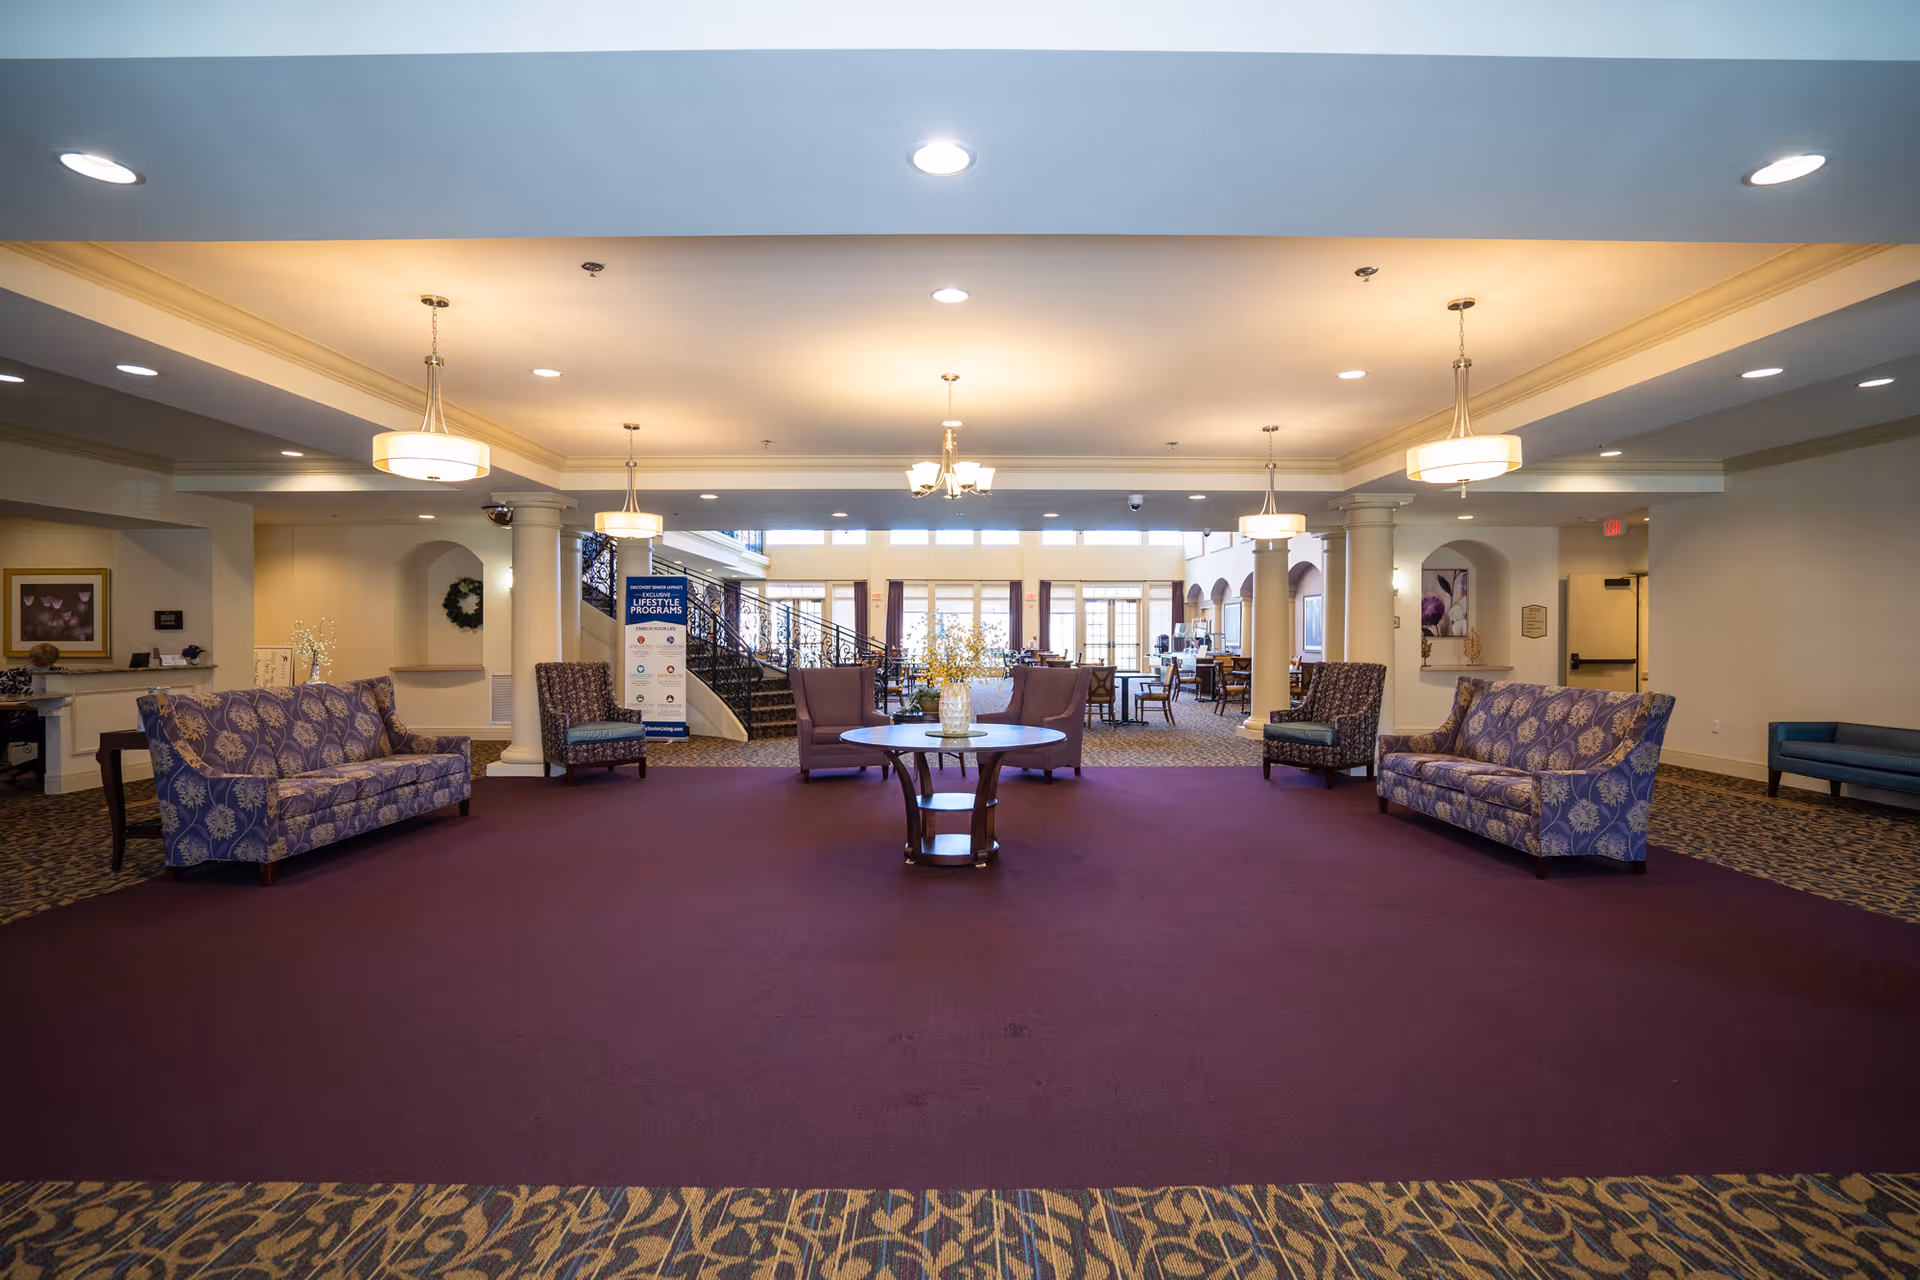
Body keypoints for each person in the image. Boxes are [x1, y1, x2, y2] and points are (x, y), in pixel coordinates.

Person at [0, 643, 58, 787]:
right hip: (19, 721)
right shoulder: (13, 675)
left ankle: (50, 773)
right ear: (30, 658)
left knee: (50, 724)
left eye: (45, 664)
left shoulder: (60, 675)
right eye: (36, 663)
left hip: (52, 720)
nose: (39, 666)